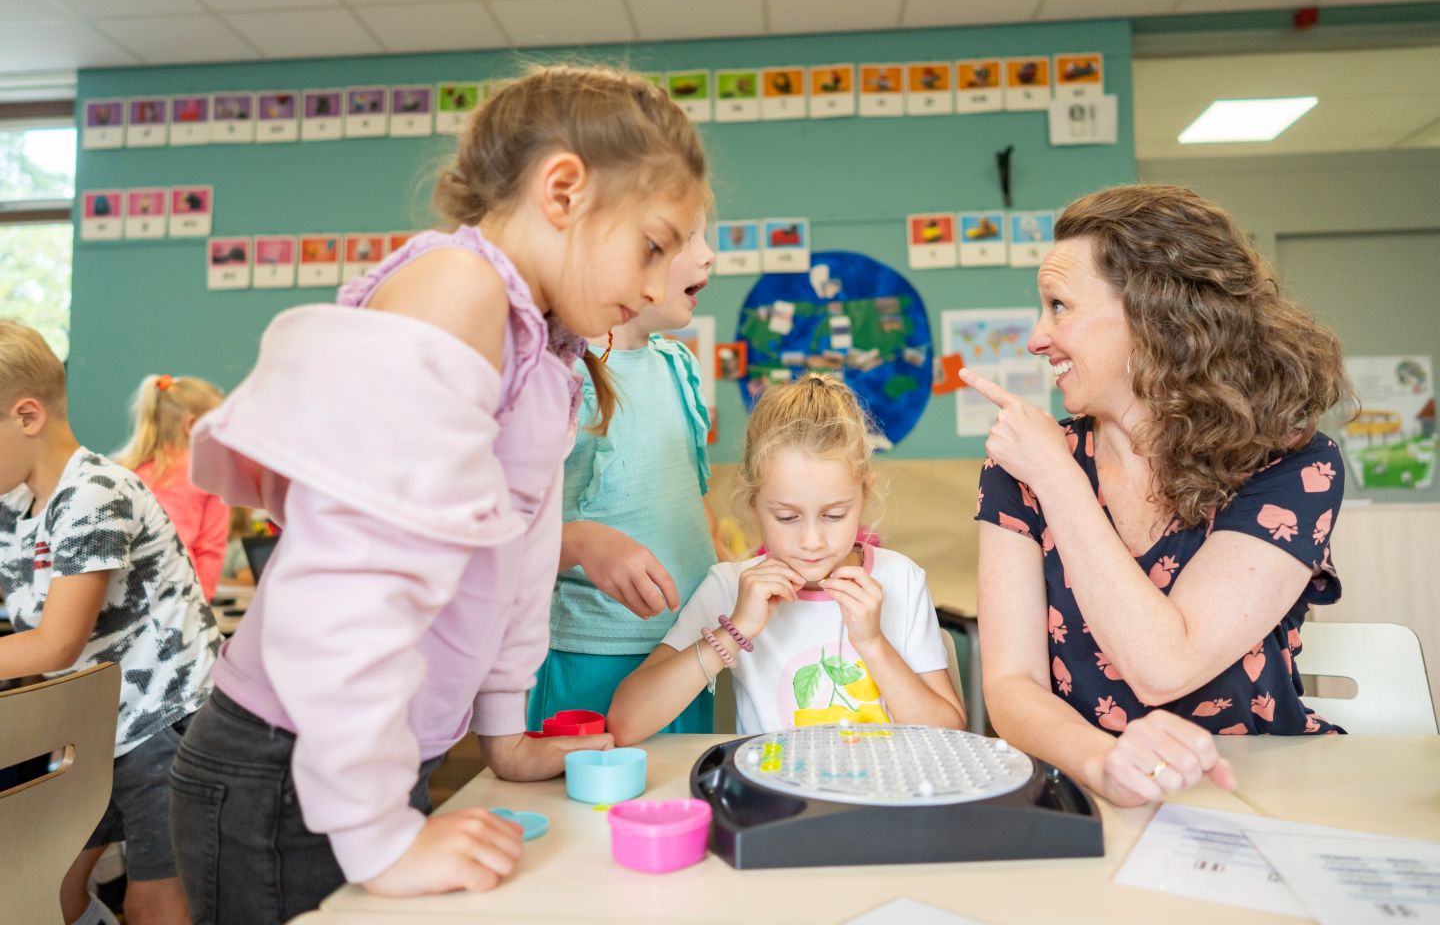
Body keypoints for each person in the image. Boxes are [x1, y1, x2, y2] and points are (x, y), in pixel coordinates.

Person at [170, 64, 712, 922]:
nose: (653, 287)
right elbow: (348, 583)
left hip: (365, 765)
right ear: (563, 190)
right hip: (294, 768)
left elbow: (518, 563)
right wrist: (378, 830)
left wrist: (505, 732)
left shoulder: (549, 356)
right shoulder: (458, 292)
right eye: (651, 244)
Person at [970, 184, 1354, 808]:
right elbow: (1012, 685)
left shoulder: (1293, 464)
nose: (1038, 338)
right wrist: (1104, 762)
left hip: (1254, 788)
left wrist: (1059, 478)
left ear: (1156, 317)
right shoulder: (1020, 464)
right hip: (1090, 787)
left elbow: (1163, 666)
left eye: (1059, 306)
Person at [0, 320, 218, 925]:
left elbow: (56, 642)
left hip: (165, 723)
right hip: (94, 733)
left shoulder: (96, 492)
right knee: (46, 888)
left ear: (26, 416)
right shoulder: (15, 505)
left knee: (156, 900)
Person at [609, 373, 965, 742]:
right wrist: (736, 629)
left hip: (884, 795)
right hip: (777, 798)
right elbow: (626, 722)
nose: (812, 541)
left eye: (834, 515)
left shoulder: (900, 578)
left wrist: (873, 642)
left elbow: (951, 735)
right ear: (753, 504)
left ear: (864, 494)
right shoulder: (730, 587)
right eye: (787, 517)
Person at [529, 215, 719, 734]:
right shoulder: (558, 373)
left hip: (685, 654)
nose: (708, 256)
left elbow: (693, 504)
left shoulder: (679, 365)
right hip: (589, 657)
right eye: (689, 237)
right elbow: (505, 537)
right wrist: (583, 541)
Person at [115, 374, 228, 601]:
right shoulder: (209, 475)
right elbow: (210, 550)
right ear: (193, 425)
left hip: (121, 600)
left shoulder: (122, 470)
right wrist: (199, 605)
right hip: (177, 601)